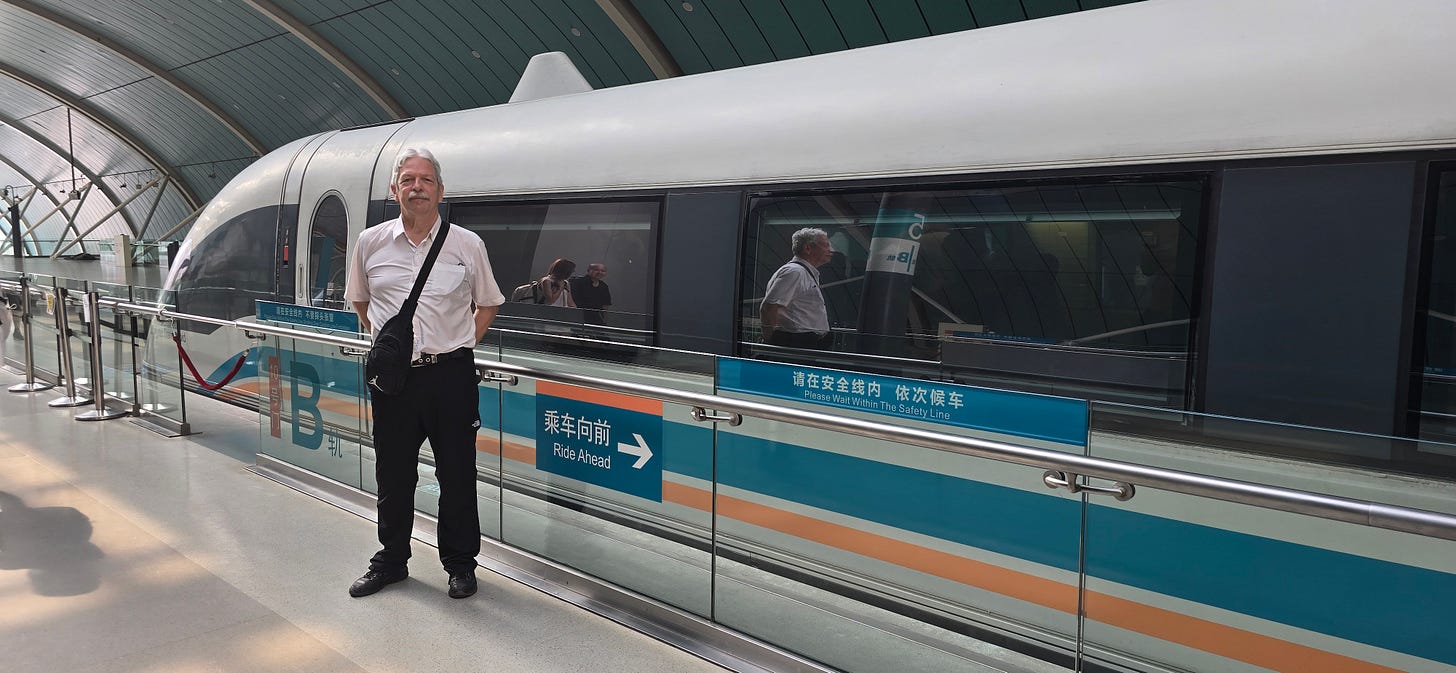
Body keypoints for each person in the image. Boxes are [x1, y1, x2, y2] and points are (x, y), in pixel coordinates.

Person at [343, 147, 505, 600]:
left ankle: (460, 565)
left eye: (426, 180)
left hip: (450, 377)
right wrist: (390, 349)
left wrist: (462, 343)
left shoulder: (466, 244)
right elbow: (361, 301)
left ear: (440, 190)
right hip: (393, 382)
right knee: (393, 475)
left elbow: (488, 303)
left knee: (457, 474)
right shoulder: (370, 242)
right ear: (394, 189)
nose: (418, 188)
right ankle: (391, 561)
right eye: (409, 180)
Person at [760, 227, 833, 349]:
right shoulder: (795, 272)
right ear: (807, 248)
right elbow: (769, 307)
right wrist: (771, 342)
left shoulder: (802, 272)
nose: (831, 250)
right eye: (825, 245)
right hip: (797, 342)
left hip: (805, 341)